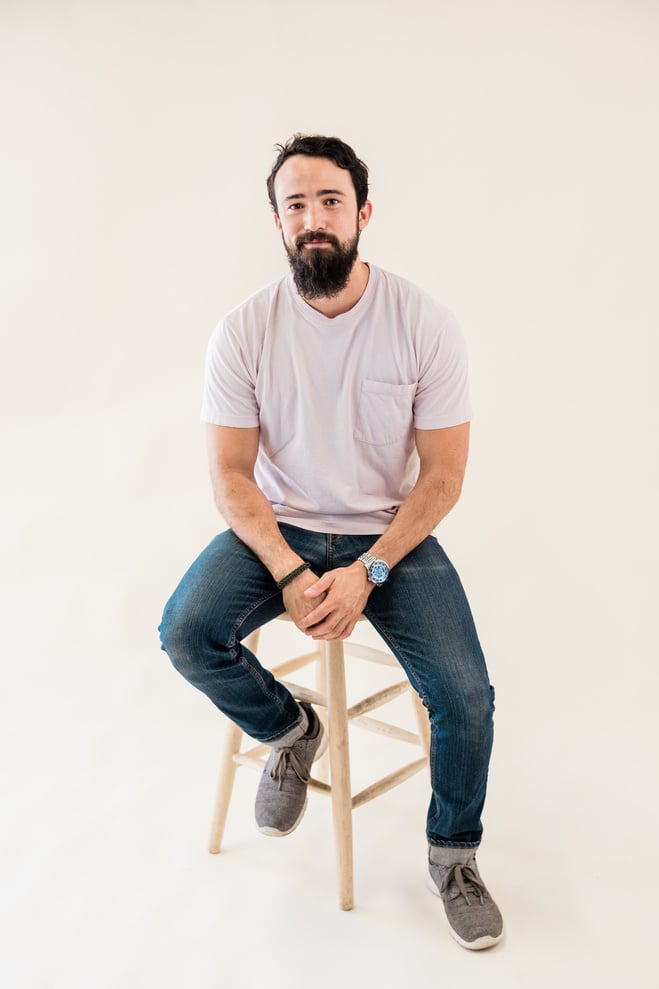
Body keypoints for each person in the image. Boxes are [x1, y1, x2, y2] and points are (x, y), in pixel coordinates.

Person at [159, 134, 503, 951]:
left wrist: (368, 570)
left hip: (390, 532)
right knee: (185, 632)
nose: (313, 219)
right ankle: (289, 730)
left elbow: (442, 477)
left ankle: (452, 854)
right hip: (274, 527)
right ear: (276, 222)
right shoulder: (242, 331)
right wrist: (285, 568)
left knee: (467, 698)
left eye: (330, 202)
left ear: (363, 213)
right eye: (296, 205)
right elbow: (232, 476)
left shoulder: (423, 322)